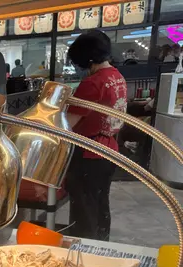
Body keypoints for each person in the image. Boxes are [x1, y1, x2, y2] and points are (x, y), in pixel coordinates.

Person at [65, 30, 128, 240]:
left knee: (84, 209)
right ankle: (102, 245)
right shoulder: (117, 77)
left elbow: (67, 124)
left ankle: (84, 249)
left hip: (89, 153)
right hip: (109, 150)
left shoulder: (92, 83)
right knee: (100, 203)